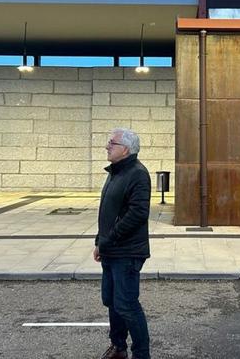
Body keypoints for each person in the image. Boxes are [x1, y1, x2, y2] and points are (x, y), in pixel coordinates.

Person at [94, 128, 151, 359]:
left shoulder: (137, 173)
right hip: (110, 249)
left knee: (127, 304)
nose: (107, 146)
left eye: (112, 143)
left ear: (125, 149)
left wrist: (109, 239)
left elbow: (138, 213)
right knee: (111, 300)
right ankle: (118, 347)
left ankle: (141, 354)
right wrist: (100, 242)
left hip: (127, 252)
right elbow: (108, 213)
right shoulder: (115, 172)